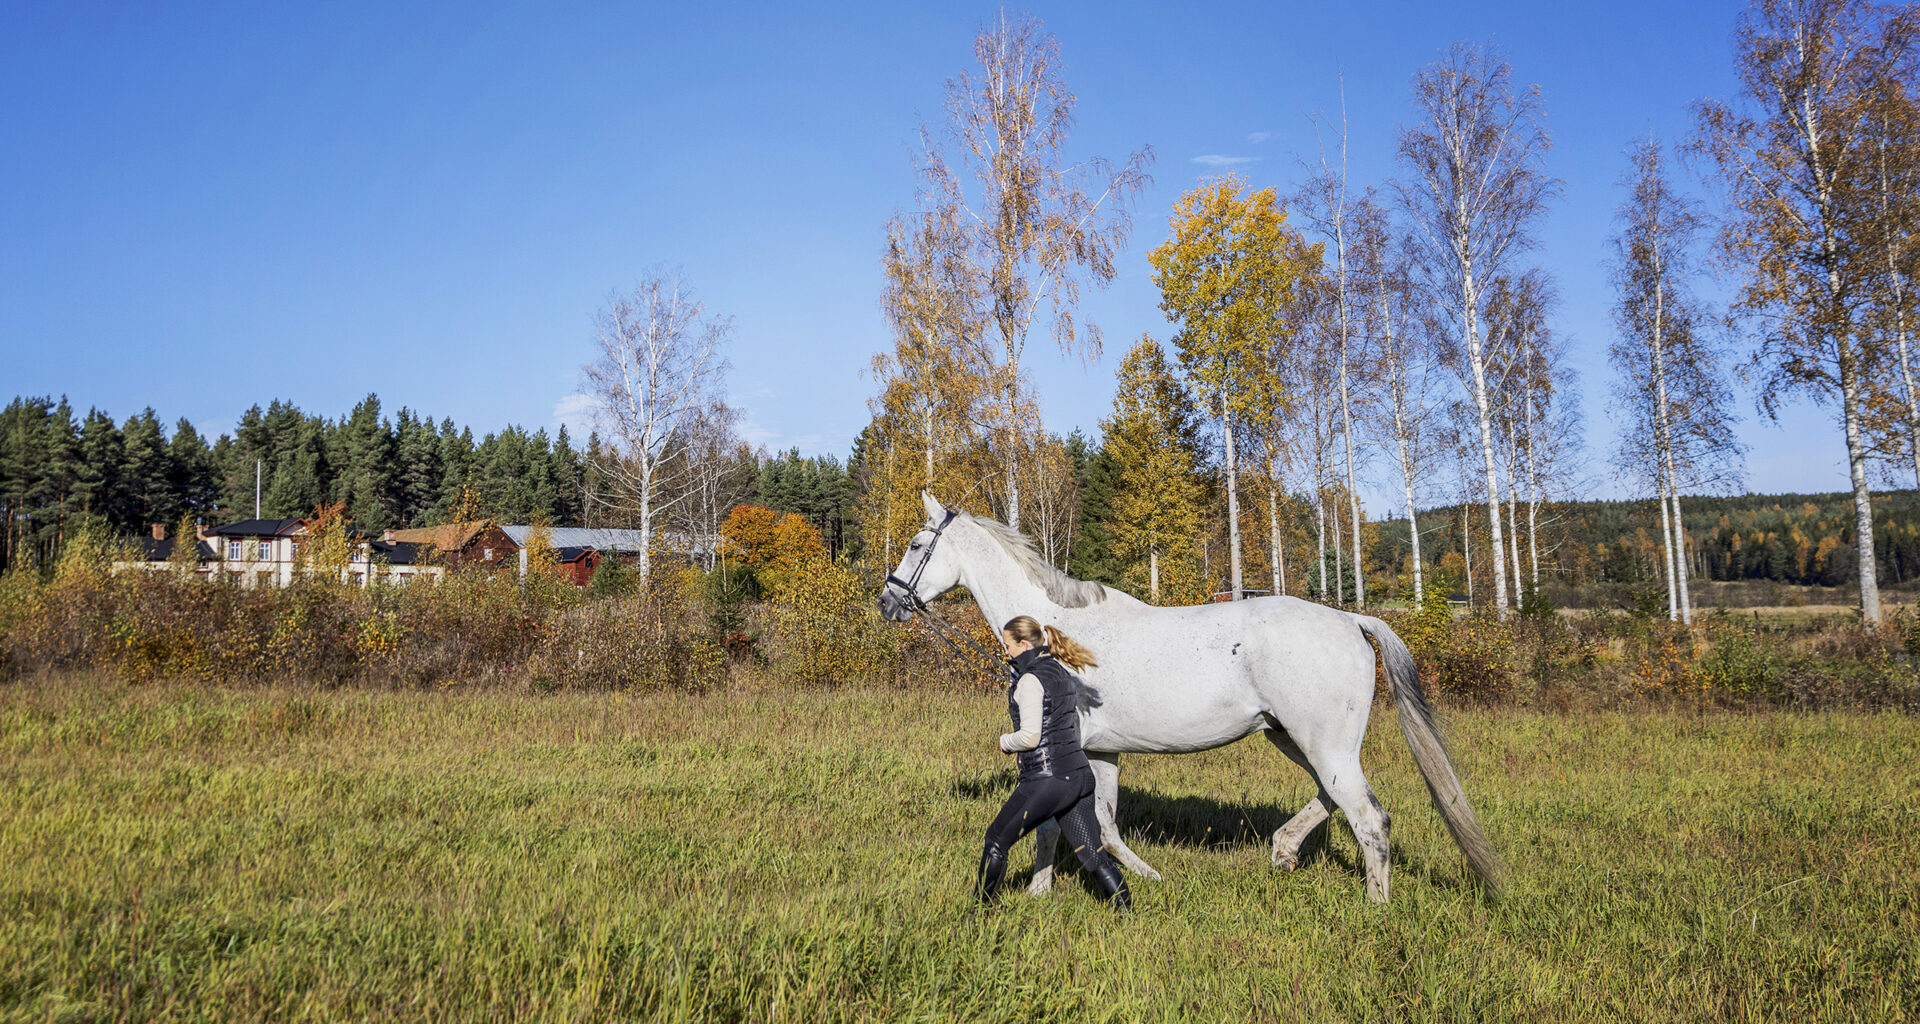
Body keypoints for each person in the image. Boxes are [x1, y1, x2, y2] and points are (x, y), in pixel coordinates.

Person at [974, 615, 1132, 909]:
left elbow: (1030, 737)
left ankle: (980, 909)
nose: (1005, 652)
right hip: (1080, 776)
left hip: (1048, 779)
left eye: (1008, 646)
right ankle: (1128, 914)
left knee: (996, 839)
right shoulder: (1060, 671)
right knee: (1093, 854)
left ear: (1023, 644)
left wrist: (1004, 742)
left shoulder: (1031, 680)